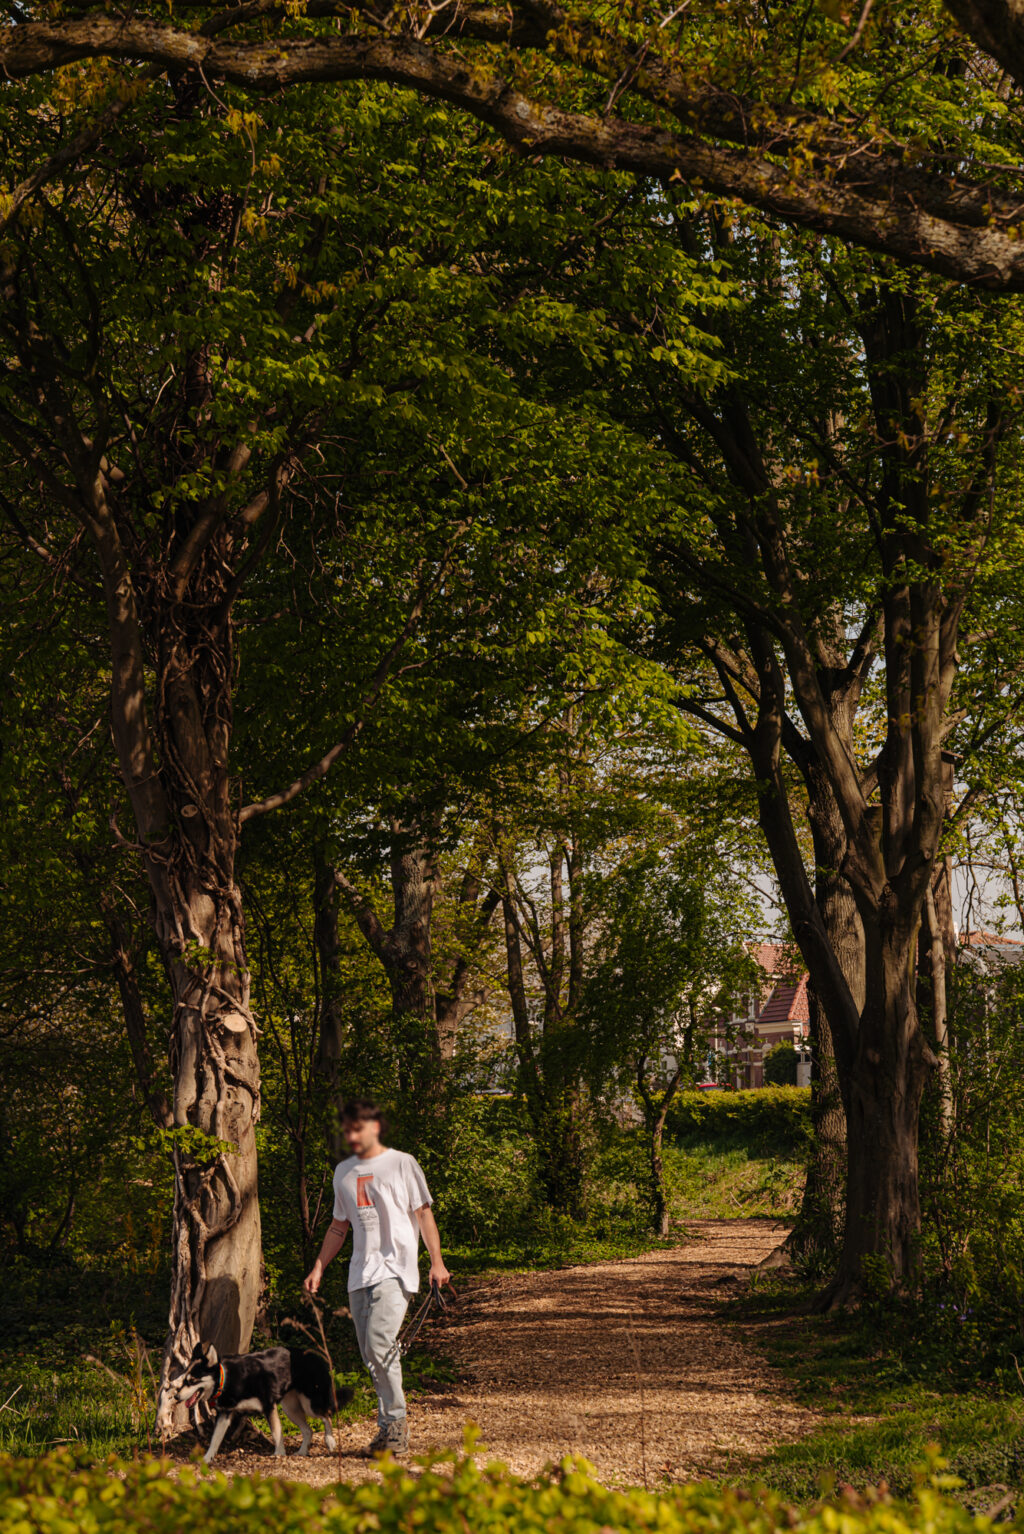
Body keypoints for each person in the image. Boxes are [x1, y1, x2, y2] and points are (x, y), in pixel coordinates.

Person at [303, 1097, 450, 1458]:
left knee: (380, 1341)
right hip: (359, 1274)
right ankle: (387, 1429)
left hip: (396, 1270)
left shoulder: (402, 1163)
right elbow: (339, 1226)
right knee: (372, 1353)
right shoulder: (343, 1172)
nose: (352, 1135)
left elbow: (424, 1214)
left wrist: (437, 1262)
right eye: (348, 1130)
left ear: (375, 1128)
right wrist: (319, 1266)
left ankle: (396, 1425)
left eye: (358, 1128)